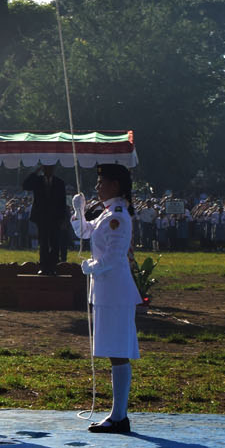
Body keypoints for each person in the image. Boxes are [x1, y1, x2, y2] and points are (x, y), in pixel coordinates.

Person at [71, 163, 141, 433]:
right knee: (114, 351)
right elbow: (83, 232)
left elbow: (115, 253)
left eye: (102, 183)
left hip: (115, 290)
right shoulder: (108, 213)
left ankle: (119, 416)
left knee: (118, 351)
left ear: (116, 185)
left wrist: (93, 266)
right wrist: (78, 210)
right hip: (106, 290)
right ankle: (117, 414)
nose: (98, 187)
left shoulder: (118, 215)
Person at [23, 164, 68, 274]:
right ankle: (43, 266)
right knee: (43, 242)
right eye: (46, 168)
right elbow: (25, 185)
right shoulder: (37, 180)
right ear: (43, 169)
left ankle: (53, 266)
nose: (49, 171)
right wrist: (36, 172)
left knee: (54, 242)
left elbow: (63, 202)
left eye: (51, 168)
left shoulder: (59, 182)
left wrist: (63, 218)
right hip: (41, 217)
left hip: (55, 217)